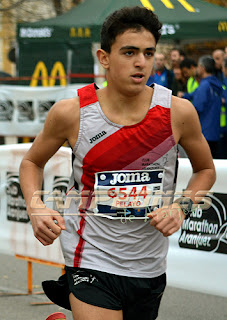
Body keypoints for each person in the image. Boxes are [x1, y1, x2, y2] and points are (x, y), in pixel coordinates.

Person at [19, 6, 216, 320]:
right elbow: (31, 161)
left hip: (148, 264)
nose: (141, 62)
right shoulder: (73, 113)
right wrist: (35, 206)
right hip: (89, 255)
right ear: (104, 58)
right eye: (129, 52)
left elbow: (206, 170)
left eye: (149, 53)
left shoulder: (178, 113)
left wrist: (181, 207)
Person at [183, 55, 223, 158]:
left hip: (204, 133)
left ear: (202, 68)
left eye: (198, 66)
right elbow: (193, 94)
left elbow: (197, 108)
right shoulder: (216, 84)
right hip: (215, 132)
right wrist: (183, 96)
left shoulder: (204, 85)